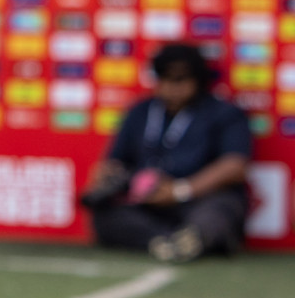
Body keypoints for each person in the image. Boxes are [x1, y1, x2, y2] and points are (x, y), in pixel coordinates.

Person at [82, 43, 252, 263]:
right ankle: (165, 241)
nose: (172, 86)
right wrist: (108, 181)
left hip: (197, 198)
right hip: (148, 202)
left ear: (198, 79)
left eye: (181, 79)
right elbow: (114, 161)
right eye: (165, 78)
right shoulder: (140, 111)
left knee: (219, 212)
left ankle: (191, 238)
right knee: (107, 216)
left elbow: (235, 166)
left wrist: (181, 190)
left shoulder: (224, 113)